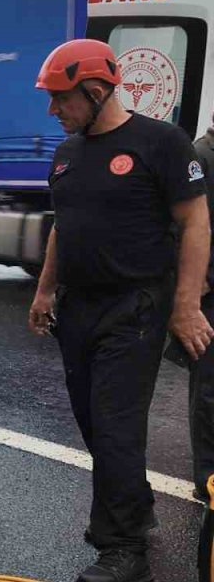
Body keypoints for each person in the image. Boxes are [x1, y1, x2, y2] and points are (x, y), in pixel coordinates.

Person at [27, 39, 212, 582]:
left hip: (135, 307)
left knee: (113, 427)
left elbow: (197, 224)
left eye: (61, 99)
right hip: (76, 309)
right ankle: (133, 501)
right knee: (92, 422)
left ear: (96, 89)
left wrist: (186, 305)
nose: (53, 110)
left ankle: (124, 549)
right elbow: (64, 226)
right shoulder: (67, 156)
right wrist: (43, 293)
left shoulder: (162, 143)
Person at [191, 112, 214, 503]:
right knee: (209, 389)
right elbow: (194, 226)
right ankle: (206, 477)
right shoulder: (201, 155)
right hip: (210, 291)